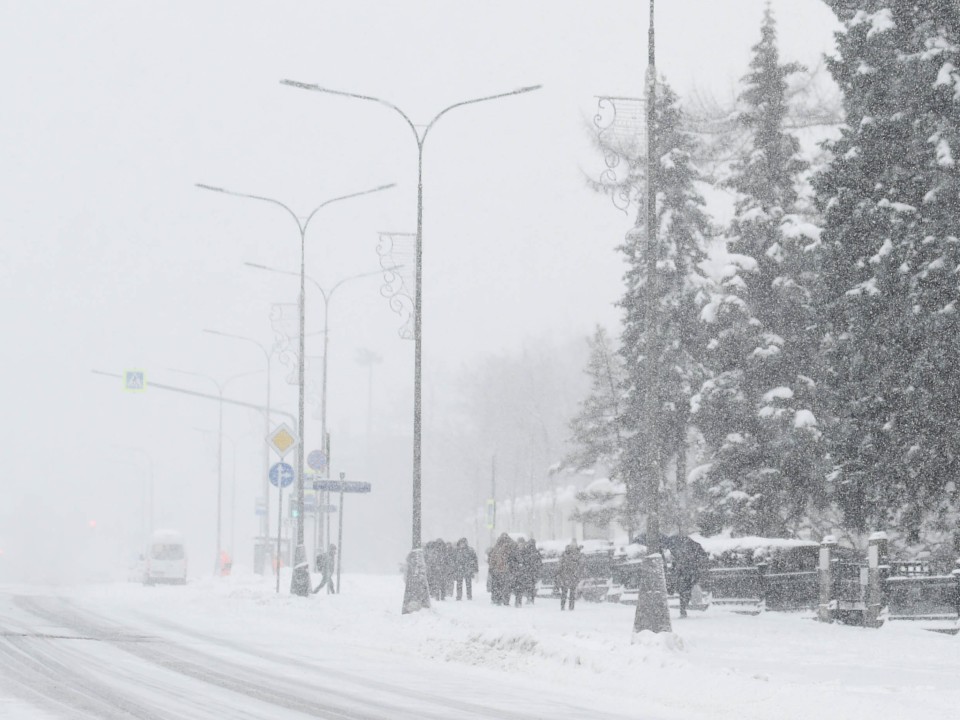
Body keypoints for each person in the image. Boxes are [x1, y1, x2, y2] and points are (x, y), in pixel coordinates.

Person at [488, 533, 518, 606]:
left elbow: (493, 558)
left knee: (499, 586)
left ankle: (499, 600)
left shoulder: (497, 547)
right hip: (505, 570)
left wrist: (492, 567)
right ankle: (505, 600)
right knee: (505, 586)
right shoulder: (511, 546)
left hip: (500, 569)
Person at [557, 539, 583, 611]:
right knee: (571, 592)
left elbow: (560, 564)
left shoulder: (566, 553)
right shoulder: (577, 554)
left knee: (565, 591)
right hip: (572, 575)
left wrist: (558, 572)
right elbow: (580, 565)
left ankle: (563, 606)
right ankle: (570, 607)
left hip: (566, 575)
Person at [523, 538, 543, 604]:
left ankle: (529, 597)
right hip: (534, 571)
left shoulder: (526, 551)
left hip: (527, 570)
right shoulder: (536, 552)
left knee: (527, 585)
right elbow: (540, 563)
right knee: (532, 585)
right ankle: (531, 598)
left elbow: (523, 561)